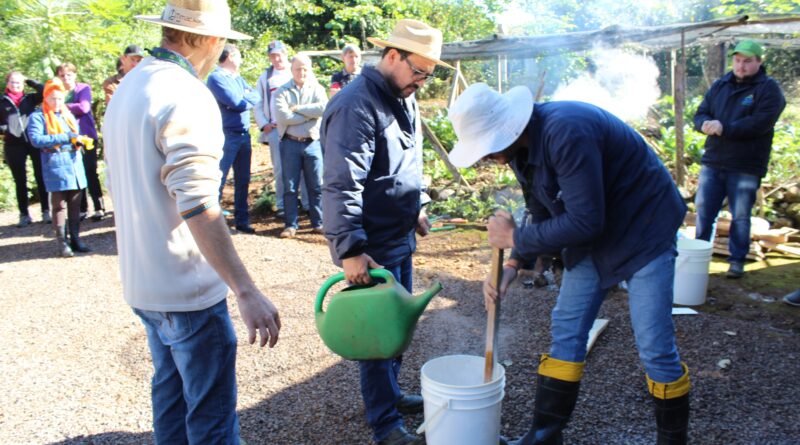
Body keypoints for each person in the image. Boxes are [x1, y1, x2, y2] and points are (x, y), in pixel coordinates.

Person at [447, 83, 691, 445]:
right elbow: (541, 210)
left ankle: (673, 441)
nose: (484, 157)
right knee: (567, 327)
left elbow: (586, 221)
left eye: (485, 148)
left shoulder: (567, 132)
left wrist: (513, 238)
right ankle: (546, 435)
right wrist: (513, 264)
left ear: (507, 129)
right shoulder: (519, 150)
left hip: (644, 230)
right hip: (594, 236)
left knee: (653, 343)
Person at [102, 1, 281, 443]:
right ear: (206, 40)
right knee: (211, 421)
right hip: (186, 290)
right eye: (221, 40)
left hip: (142, 282)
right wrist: (245, 289)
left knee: (170, 397)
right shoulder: (185, 93)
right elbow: (199, 203)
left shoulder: (131, 83)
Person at [321, 19, 451, 445]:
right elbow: (342, 184)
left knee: (397, 330)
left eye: (429, 75)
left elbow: (405, 164)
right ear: (392, 55)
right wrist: (351, 248)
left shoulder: (402, 96)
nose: (422, 82)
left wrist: (417, 207)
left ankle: (390, 398)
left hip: (398, 235)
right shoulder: (356, 104)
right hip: (370, 245)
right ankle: (384, 425)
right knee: (376, 337)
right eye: (418, 71)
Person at [693, 40, 786, 279]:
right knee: (704, 212)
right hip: (713, 161)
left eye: (747, 61)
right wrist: (703, 124)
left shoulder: (768, 89)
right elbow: (701, 112)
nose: (741, 66)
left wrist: (725, 128)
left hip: (745, 165)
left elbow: (760, 123)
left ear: (758, 62)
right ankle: (700, 256)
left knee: (741, 215)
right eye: (737, 61)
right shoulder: (720, 85)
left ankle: (736, 261)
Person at [26, 78, 91, 257]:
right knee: (59, 206)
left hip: (74, 163)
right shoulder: (38, 116)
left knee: (76, 204)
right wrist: (66, 137)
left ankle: (76, 239)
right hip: (55, 164)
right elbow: (36, 140)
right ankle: (62, 242)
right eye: (53, 98)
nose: (57, 102)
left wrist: (79, 140)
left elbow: (73, 135)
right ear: (45, 98)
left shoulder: (67, 115)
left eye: (60, 98)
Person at [207, 43, 260, 234]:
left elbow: (256, 96)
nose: (241, 60)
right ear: (230, 56)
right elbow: (236, 102)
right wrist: (244, 98)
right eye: (239, 56)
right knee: (218, 179)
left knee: (243, 179)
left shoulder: (237, 78)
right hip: (227, 135)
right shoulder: (216, 78)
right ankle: (214, 223)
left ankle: (242, 221)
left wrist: (244, 98)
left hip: (244, 135)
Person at [274, 54, 327, 238]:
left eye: (305, 68)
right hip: (289, 143)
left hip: (312, 143)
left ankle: (318, 222)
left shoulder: (317, 89)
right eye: (298, 68)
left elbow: (322, 109)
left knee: (316, 186)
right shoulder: (282, 91)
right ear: (292, 69)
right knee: (289, 186)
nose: (301, 72)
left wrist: (296, 109)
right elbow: (283, 117)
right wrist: (309, 114)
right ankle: (290, 225)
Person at [255, 40, 308, 219]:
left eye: (279, 55)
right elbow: (258, 102)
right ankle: (282, 205)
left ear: (285, 54)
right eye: (272, 56)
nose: (276, 59)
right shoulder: (266, 77)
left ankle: (307, 204)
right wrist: (264, 124)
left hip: (298, 127)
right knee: (280, 168)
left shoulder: (297, 71)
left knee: (303, 167)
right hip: (276, 130)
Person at [56, 62, 105, 222]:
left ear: (74, 75)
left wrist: (62, 106)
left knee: (90, 170)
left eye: (69, 74)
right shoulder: (58, 92)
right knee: (77, 172)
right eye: (62, 75)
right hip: (69, 138)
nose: (66, 78)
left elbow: (84, 107)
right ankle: (82, 208)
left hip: (86, 136)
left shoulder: (83, 88)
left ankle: (99, 206)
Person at [1, 71, 49, 227]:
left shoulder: (29, 99)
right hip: (13, 145)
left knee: (41, 176)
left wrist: (29, 80)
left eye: (19, 83)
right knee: (20, 180)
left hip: (33, 142)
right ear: (7, 84)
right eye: (13, 82)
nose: (16, 85)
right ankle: (24, 214)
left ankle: (46, 211)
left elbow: (45, 91)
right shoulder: (2, 101)